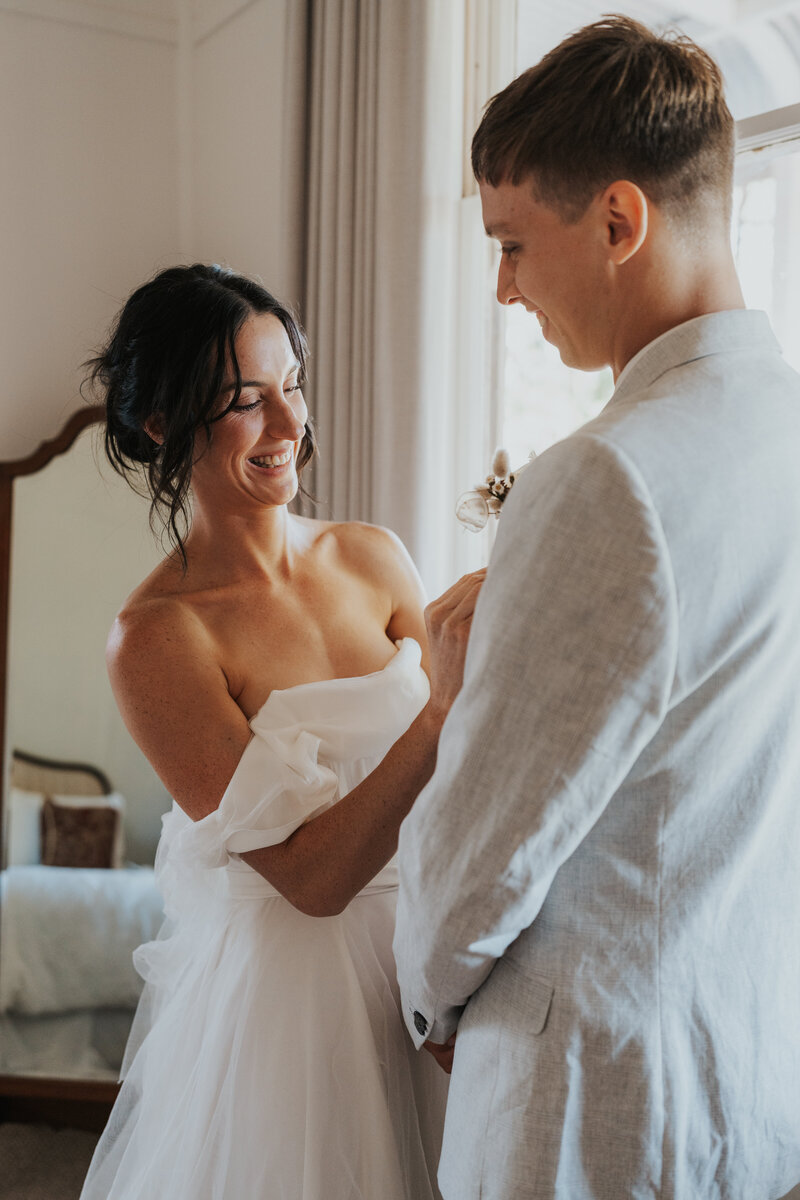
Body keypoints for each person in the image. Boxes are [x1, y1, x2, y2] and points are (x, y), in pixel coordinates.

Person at [393, 16, 800, 1200]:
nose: (503, 287)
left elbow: (484, 849)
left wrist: (425, 996)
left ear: (618, 220)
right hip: (750, 1076)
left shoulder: (603, 477)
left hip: (587, 1116)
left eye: (513, 242)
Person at [78, 263, 482, 1200]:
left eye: (292, 385)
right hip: (303, 1011)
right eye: (246, 401)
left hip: (437, 950)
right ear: (162, 425)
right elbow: (310, 878)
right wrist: (440, 707)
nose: (291, 426)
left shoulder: (372, 554)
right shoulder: (157, 638)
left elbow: (470, 765)